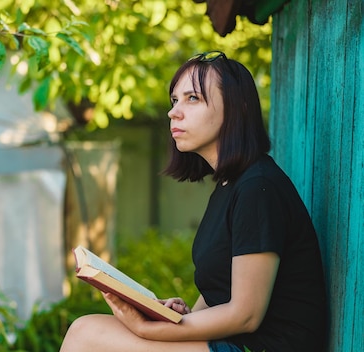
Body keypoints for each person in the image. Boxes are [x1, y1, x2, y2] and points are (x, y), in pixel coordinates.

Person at [59, 51, 328, 352]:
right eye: (175, 101)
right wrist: (180, 318)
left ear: (236, 108)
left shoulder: (258, 188)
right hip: (236, 343)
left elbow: (246, 316)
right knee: (88, 330)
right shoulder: (230, 186)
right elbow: (219, 292)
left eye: (193, 99)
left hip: (264, 347)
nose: (174, 112)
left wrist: (147, 330)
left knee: (86, 334)